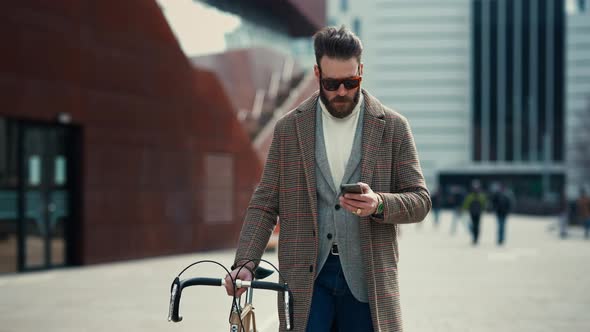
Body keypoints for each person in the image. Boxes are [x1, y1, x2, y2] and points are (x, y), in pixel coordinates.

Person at [224, 26, 431, 332]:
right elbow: (265, 203)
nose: (342, 92)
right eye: (332, 84)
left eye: (351, 81)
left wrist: (379, 203)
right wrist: (245, 263)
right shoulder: (288, 130)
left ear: (361, 70)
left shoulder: (394, 128)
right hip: (307, 280)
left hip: (367, 280)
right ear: (317, 74)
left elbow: (421, 201)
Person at [462, 180, 487, 245]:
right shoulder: (473, 196)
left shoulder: (478, 196)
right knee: (475, 225)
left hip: (476, 212)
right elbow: (466, 203)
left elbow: (484, 203)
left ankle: (475, 238)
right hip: (474, 212)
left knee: (475, 225)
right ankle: (475, 238)